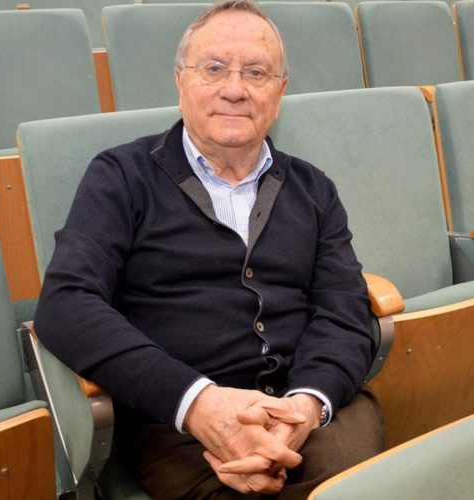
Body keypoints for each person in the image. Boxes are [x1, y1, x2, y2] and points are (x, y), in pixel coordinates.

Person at [34, 0, 384, 497]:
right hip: (175, 419)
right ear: (181, 81)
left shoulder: (315, 189)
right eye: (214, 68)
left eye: (256, 73)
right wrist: (199, 403)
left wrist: (305, 406)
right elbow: (66, 304)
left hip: (311, 407)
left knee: (360, 485)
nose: (235, 89)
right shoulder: (120, 176)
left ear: (280, 92)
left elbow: (344, 311)